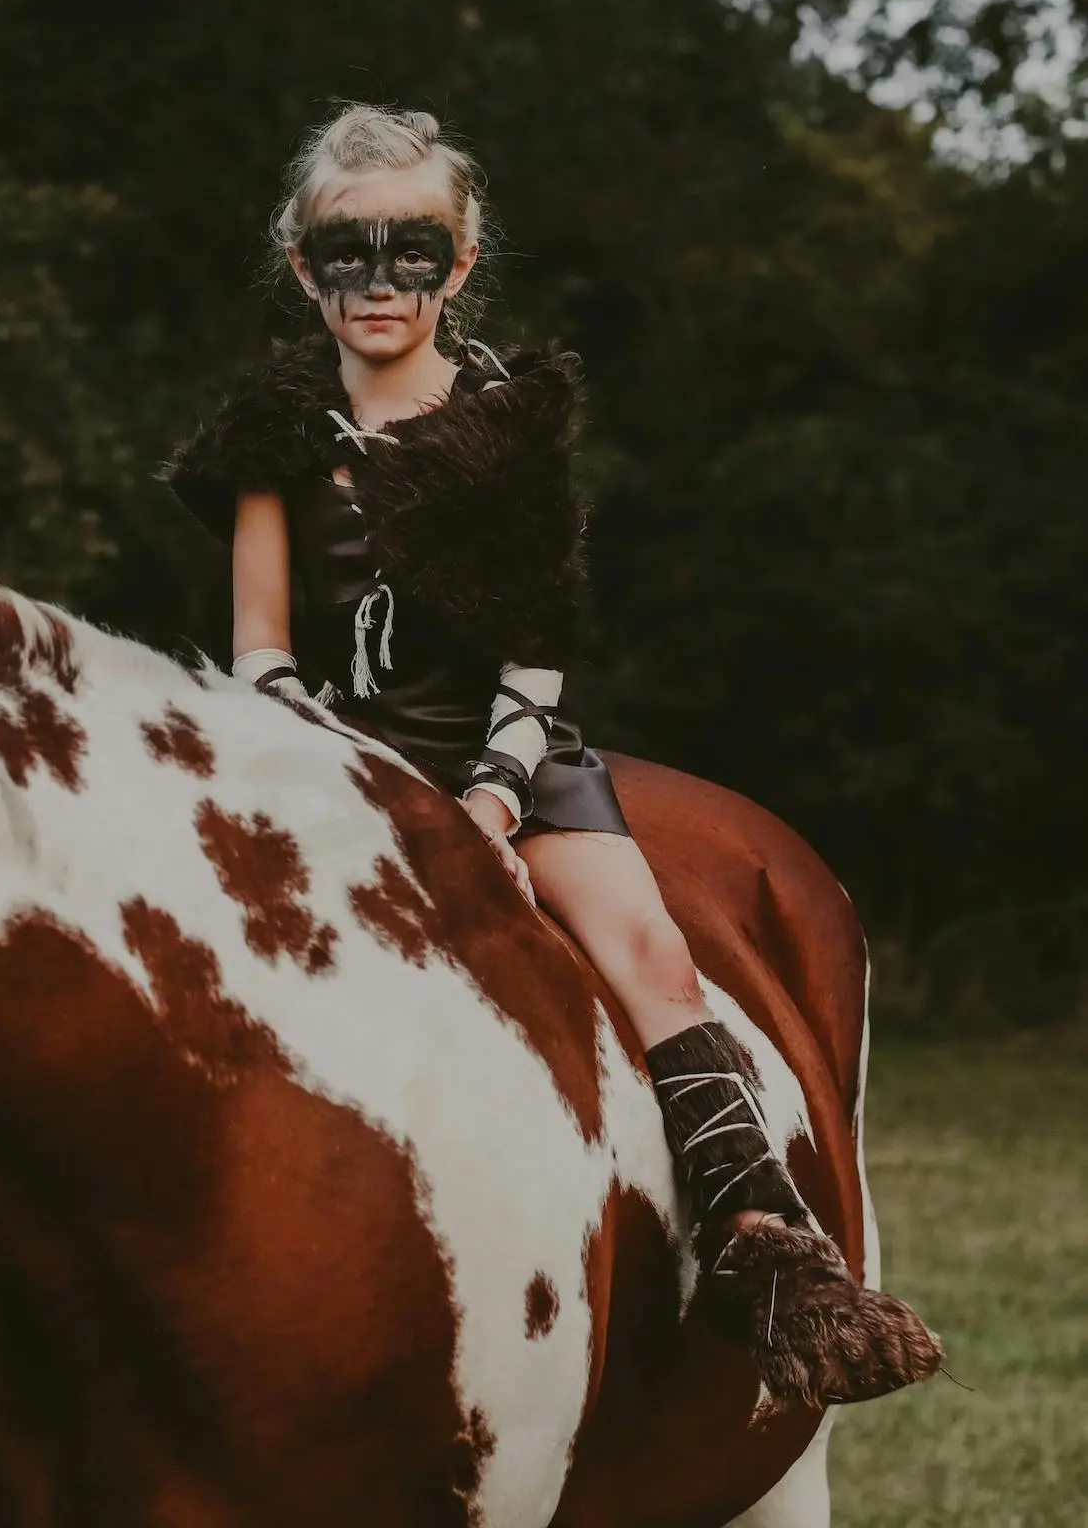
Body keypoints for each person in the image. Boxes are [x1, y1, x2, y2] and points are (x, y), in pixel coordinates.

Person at [161, 103, 939, 1406]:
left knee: (647, 951)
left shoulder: (510, 425)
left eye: (412, 250)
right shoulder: (273, 437)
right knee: (140, 906)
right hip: (322, 755)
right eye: (346, 251)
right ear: (305, 267)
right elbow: (256, 648)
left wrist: (486, 798)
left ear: (458, 264)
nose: (379, 283)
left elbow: (534, 646)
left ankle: (762, 1241)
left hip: (506, 756)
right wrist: (332, 769)